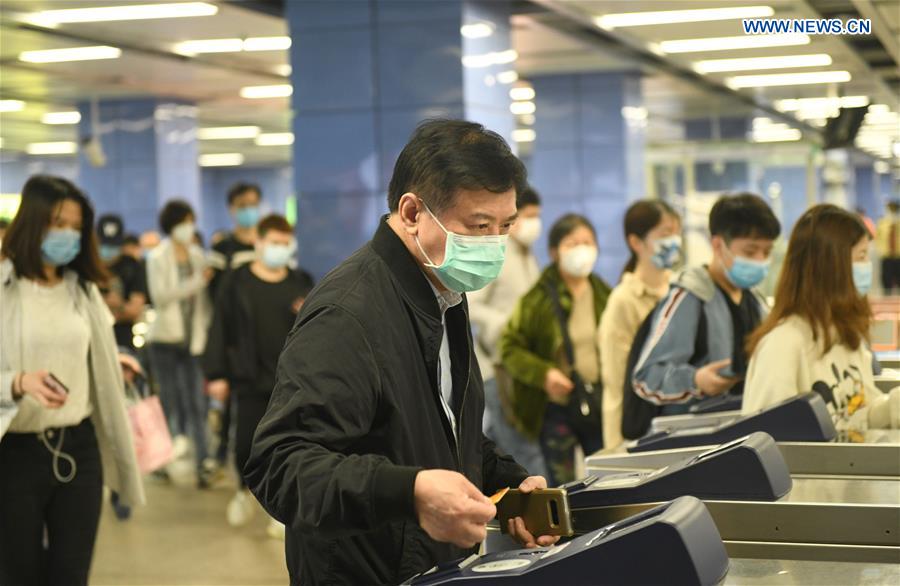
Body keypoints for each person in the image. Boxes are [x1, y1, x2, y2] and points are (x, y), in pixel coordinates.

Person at [245, 120, 557, 586]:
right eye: (479, 226)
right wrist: (408, 492)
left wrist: (509, 482)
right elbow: (281, 465)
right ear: (412, 212)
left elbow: (442, 435)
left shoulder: (444, 292)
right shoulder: (348, 314)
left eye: (504, 226)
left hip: (431, 568)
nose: (494, 244)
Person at [0, 175, 144, 585]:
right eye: (58, 223)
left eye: (76, 227)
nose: (68, 235)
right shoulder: (4, 286)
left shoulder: (82, 289)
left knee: (71, 574)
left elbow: (85, 346)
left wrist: (113, 361)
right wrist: (16, 381)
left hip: (78, 449)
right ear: (33, 223)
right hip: (14, 452)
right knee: (19, 574)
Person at [203, 214, 314, 533]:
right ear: (259, 242)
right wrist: (217, 374)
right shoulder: (237, 282)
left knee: (289, 446)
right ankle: (243, 490)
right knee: (246, 446)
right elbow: (220, 327)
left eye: (285, 243)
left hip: (291, 382)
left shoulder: (300, 283)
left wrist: (304, 311)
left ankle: (278, 509)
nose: (280, 249)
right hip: (249, 378)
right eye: (274, 243)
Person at [744, 204, 899, 432]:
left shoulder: (847, 334)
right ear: (830, 266)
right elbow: (769, 439)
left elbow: (861, 414)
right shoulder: (783, 344)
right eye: (861, 256)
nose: (867, 267)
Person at [632, 193, 780, 413]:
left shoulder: (754, 301)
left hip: (745, 429)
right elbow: (646, 377)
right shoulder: (690, 297)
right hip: (697, 438)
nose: (759, 260)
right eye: (750, 251)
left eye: (766, 252)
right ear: (718, 245)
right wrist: (695, 380)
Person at [500, 214, 611, 486]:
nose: (582, 250)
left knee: (607, 477)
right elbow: (509, 348)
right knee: (565, 486)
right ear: (554, 252)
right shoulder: (538, 300)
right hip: (556, 409)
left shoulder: (603, 293)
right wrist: (544, 375)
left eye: (588, 242)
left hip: (597, 403)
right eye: (573, 244)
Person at [467, 185, 547, 479]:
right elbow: (471, 305)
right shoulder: (496, 256)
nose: (534, 223)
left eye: (538, 216)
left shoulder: (527, 255)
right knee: (519, 447)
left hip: (522, 367)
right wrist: (504, 324)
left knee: (507, 441)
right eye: (528, 216)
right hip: (497, 366)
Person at [599, 201, 681, 449]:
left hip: (676, 421)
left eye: (677, 233)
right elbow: (616, 383)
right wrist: (616, 446)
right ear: (636, 242)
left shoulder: (679, 288)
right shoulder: (623, 301)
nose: (675, 241)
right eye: (666, 235)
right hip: (637, 429)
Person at [145, 199, 214, 488]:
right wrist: (197, 282)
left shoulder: (199, 255)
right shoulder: (157, 257)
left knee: (197, 403)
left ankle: (203, 463)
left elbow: (205, 303)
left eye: (191, 221)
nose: (189, 227)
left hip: (193, 341)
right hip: (164, 341)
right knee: (169, 403)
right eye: (185, 221)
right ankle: (161, 462)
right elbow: (160, 296)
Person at [207, 182, 262, 472]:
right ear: (232, 209)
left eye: (253, 204)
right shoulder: (222, 248)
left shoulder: (265, 244)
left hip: (262, 338)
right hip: (232, 336)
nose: (249, 211)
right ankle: (222, 450)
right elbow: (213, 295)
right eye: (243, 206)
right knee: (228, 398)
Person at [96, 214, 147, 350]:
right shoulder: (88, 265)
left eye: (113, 245)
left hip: (122, 341)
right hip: (93, 340)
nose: (108, 250)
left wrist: (117, 305)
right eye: (104, 244)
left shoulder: (132, 266)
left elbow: (135, 310)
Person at [875, 199, 900, 294]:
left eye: (894, 209)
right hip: (886, 257)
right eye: (890, 209)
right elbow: (878, 238)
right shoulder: (882, 223)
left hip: (899, 257)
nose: (892, 212)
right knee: (886, 281)